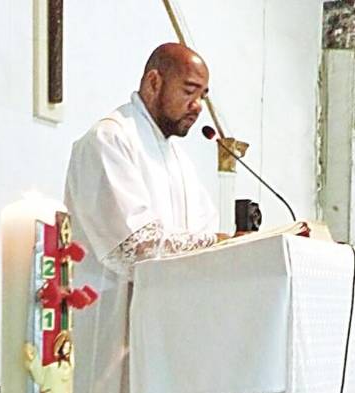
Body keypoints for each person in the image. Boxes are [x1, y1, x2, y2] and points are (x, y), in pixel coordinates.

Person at [64, 43, 227, 393]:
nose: (198, 106)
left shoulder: (178, 160)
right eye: (189, 91)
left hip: (166, 336)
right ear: (154, 82)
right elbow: (136, 247)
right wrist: (218, 243)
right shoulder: (109, 138)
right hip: (111, 327)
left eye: (203, 95)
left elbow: (205, 235)